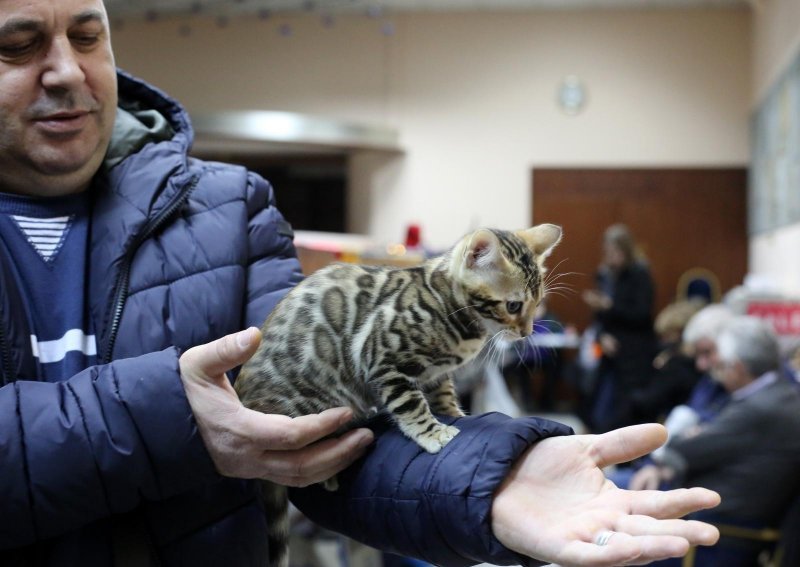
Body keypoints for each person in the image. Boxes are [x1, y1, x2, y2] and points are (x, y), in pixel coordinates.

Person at [0, 2, 721, 566]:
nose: (66, 69)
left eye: (89, 36)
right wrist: (168, 419)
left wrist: (489, 472)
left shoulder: (227, 210)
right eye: (19, 44)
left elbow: (338, 437)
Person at [630, 316, 800, 566]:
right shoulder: (772, 394)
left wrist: (686, 441)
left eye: (720, 363)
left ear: (738, 367)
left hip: (716, 527)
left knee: (614, 498)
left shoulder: (762, 406)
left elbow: (687, 448)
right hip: (709, 508)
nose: (711, 369)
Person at [581, 223, 658, 432]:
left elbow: (642, 314)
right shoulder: (606, 274)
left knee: (625, 409)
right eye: (608, 252)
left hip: (633, 352)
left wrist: (609, 305)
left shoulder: (639, 274)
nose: (611, 257)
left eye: (616, 252)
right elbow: (600, 319)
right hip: (609, 348)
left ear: (627, 251)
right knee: (597, 405)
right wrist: (602, 335)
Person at [629, 299, 705, 424]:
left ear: (681, 333)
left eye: (668, 336)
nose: (664, 342)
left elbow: (648, 401)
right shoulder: (672, 357)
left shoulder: (676, 365)